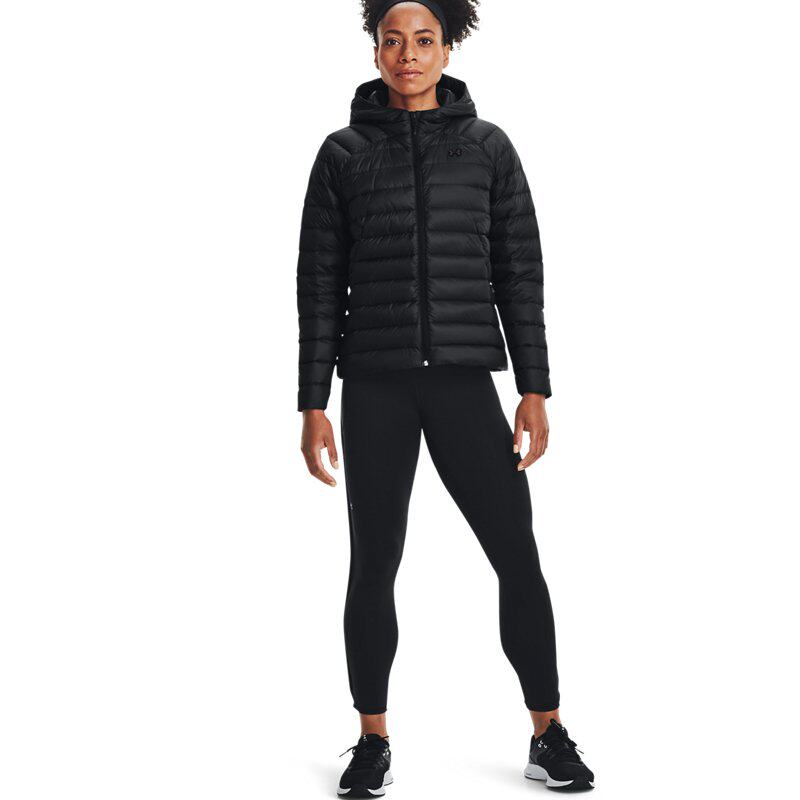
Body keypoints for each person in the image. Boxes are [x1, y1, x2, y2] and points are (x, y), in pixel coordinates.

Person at [296, 1, 595, 794]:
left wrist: (533, 387)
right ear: (375, 52)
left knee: (516, 555)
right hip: (376, 385)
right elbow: (319, 285)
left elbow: (519, 272)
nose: (408, 55)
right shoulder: (343, 154)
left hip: (464, 382)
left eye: (423, 41)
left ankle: (548, 732)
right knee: (373, 563)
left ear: (448, 50)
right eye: (392, 41)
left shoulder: (487, 148)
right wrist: (313, 400)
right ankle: (371, 740)